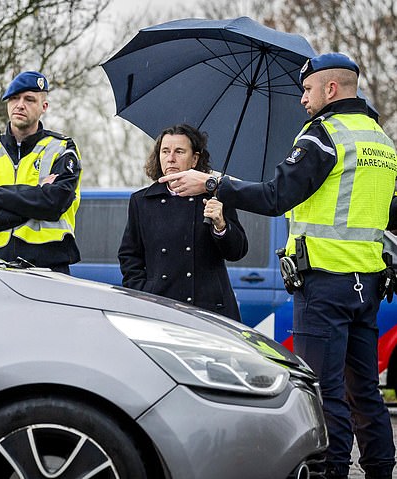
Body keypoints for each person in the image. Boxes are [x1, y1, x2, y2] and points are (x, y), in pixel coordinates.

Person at [161, 53, 396, 479]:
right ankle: (381, 470)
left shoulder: (324, 135)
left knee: (324, 394)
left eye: (307, 90)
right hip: (366, 285)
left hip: (324, 283)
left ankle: (330, 472)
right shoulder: (380, 140)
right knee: (365, 391)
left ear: (330, 89)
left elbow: (274, 197)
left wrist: (213, 182)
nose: (302, 99)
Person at [118, 124, 248, 321]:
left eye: (179, 151)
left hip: (210, 310)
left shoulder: (216, 195)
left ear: (195, 159)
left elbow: (237, 252)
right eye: (165, 151)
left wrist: (221, 225)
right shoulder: (141, 201)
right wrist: (144, 292)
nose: (170, 158)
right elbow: (130, 256)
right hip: (160, 307)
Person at [0, 71, 81, 274]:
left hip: (48, 270)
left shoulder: (62, 148)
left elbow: (55, 203)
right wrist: (35, 199)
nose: (20, 104)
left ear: (44, 107)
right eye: (14, 98)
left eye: (29, 99)